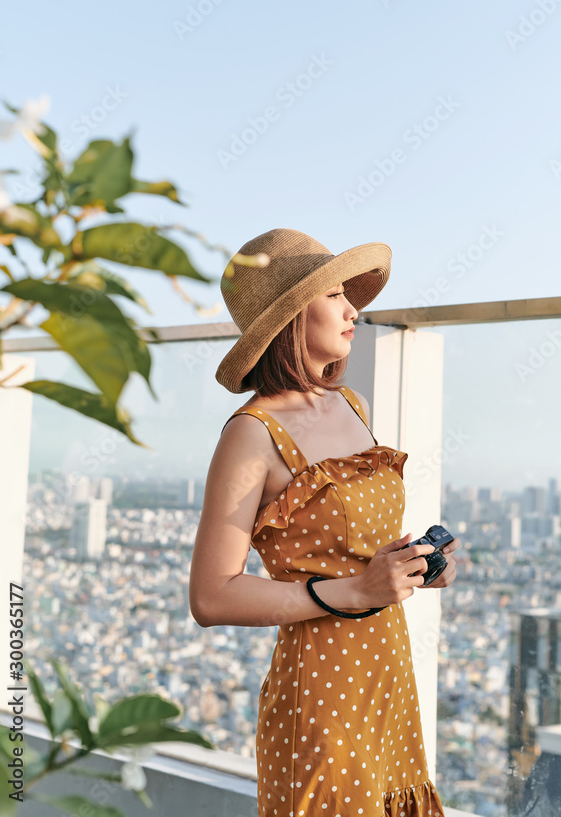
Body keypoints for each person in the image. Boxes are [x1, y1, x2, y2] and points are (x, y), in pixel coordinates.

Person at [189, 227, 460, 816]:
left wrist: (411, 568)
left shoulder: (351, 404)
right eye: (334, 295)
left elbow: (353, 549)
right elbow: (211, 596)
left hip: (387, 679)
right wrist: (360, 590)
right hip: (321, 694)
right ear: (289, 316)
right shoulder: (251, 433)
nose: (353, 310)